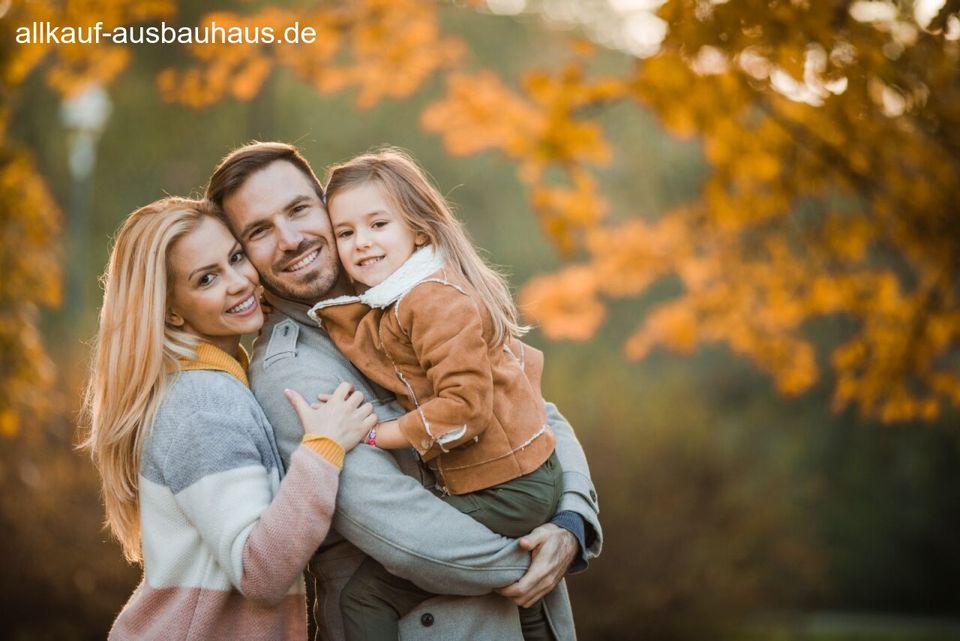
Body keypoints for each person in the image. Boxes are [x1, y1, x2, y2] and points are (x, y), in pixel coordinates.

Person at [205, 142, 603, 641]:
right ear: (243, 253)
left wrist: (571, 521)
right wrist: (535, 558)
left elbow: (528, 408)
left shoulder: (412, 292)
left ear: (327, 207)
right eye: (259, 231)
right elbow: (398, 527)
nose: (289, 239)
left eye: (299, 210)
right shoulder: (294, 368)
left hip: (527, 615)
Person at [81, 197, 377, 640]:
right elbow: (262, 573)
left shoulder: (210, 383)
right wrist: (324, 448)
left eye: (236, 258)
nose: (240, 282)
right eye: (207, 278)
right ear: (171, 310)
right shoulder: (205, 403)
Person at [311, 148, 561, 641]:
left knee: (366, 595)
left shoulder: (431, 299)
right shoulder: (403, 297)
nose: (361, 243)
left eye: (378, 224)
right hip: (515, 477)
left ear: (419, 230)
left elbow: (466, 406)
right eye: (345, 233)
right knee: (523, 589)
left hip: (509, 487)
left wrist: (383, 436)